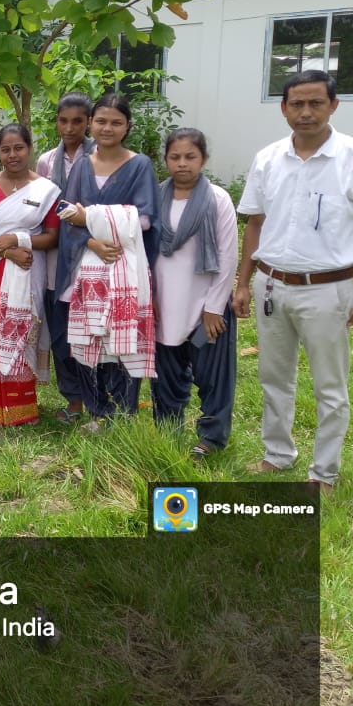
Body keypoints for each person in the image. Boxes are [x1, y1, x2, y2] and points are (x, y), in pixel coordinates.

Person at [233, 70, 353, 493]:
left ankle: (324, 472)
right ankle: (277, 454)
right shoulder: (267, 158)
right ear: (284, 108)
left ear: (333, 106)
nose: (306, 113)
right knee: (273, 376)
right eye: (296, 104)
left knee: (329, 385)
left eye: (315, 103)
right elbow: (254, 223)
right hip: (271, 285)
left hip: (327, 289)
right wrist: (243, 281)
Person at [55, 92, 159, 433]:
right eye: (101, 121)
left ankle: (123, 415)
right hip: (88, 266)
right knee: (89, 341)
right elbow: (67, 213)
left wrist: (92, 218)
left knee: (121, 339)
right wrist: (90, 240)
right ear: (91, 124)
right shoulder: (83, 165)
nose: (107, 128)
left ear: (128, 126)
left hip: (124, 267)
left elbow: (145, 219)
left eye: (116, 122)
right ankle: (98, 413)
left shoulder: (139, 165)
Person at [150, 128, 238, 460]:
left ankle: (210, 439)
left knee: (213, 376)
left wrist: (215, 306)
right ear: (166, 159)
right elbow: (146, 251)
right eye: (175, 157)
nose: (182, 164)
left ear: (203, 159)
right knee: (166, 373)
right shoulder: (155, 197)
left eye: (191, 157)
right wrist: (151, 298)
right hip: (164, 302)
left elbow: (228, 256)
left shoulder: (217, 199)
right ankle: (167, 429)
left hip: (205, 303)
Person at [0, 124, 61, 426]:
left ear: (29, 148)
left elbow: (52, 237)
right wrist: (7, 251)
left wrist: (20, 240)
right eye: (5, 149)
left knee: (19, 333)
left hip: (27, 272)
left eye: (18, 148)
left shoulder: (45, 191)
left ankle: (21, 407)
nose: (12, 155)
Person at [36, 92, 95, 423]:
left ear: (88, 122)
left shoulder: (101, 156)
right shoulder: (46, 162)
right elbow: (44, 208)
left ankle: (98, 398)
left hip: (93, 256)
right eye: (63, 120)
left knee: (90, 330)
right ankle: (73, 400)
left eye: (77, 121)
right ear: (56, 122)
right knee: (60, 332)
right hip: (56, 260)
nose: (70, 128)